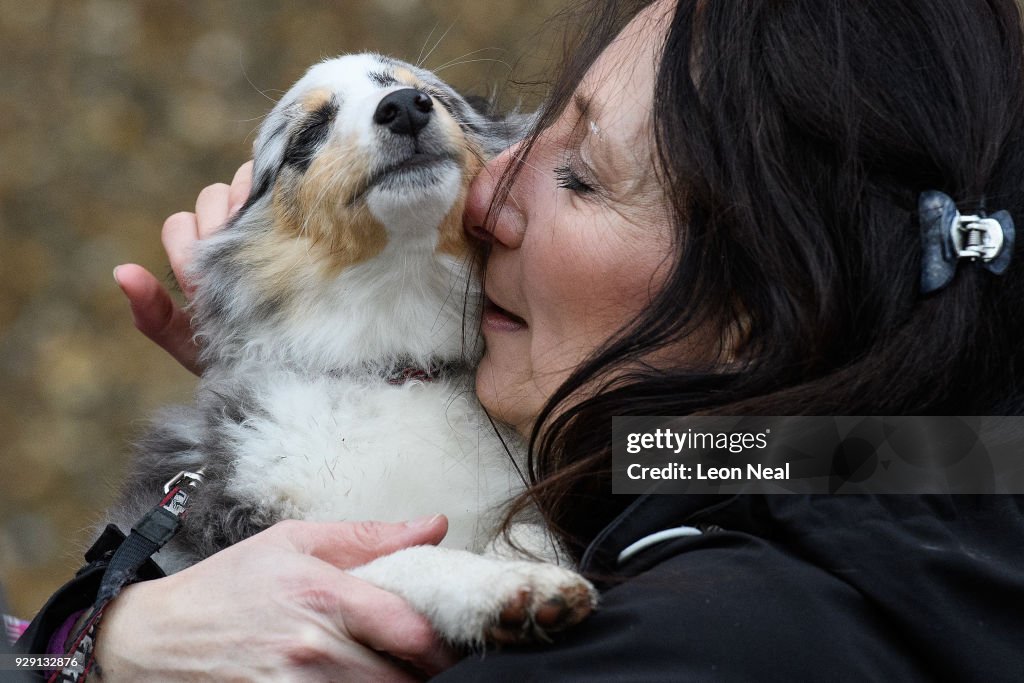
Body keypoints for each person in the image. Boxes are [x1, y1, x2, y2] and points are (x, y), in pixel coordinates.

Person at [17, 0, 1024, 679]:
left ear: (767, 306)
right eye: (527, 133)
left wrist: (85, 651)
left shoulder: (675, 642)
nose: (484, 186)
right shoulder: (938, 486)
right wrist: (318, 381)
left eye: (581, 175)